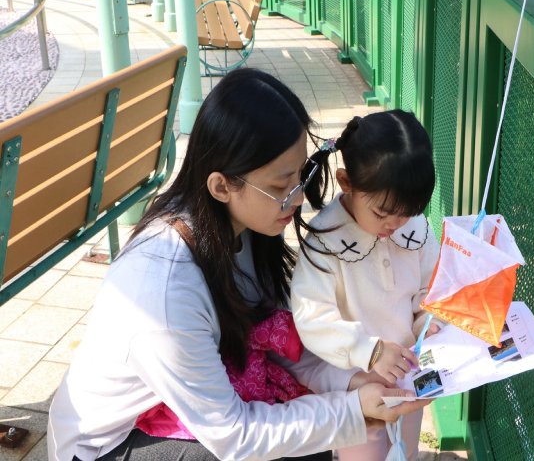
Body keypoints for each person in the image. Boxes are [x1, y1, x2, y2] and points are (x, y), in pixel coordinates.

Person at [47, 69, 429, 461]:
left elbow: (277, 338)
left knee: (310, 426)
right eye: (280, 186)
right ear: (221, 186)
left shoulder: (246, 227)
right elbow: (234, 436)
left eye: (301, 176)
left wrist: (351, 384)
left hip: (187, 405)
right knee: (297, 436)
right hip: (113, 443)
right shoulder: (166, 291)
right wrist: (352, 411)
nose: (298, 198)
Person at [291, 110, 443, 461]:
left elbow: (428, 290)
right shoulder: (325, 241)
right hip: (357, 387)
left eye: (407, 213)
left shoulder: (413, 226)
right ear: (346, 183)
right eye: (382, 213)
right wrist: (369, 351)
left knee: (406, 449)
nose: (395, 224)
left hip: (408, 376)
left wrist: (428, 324)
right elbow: (312, 317)